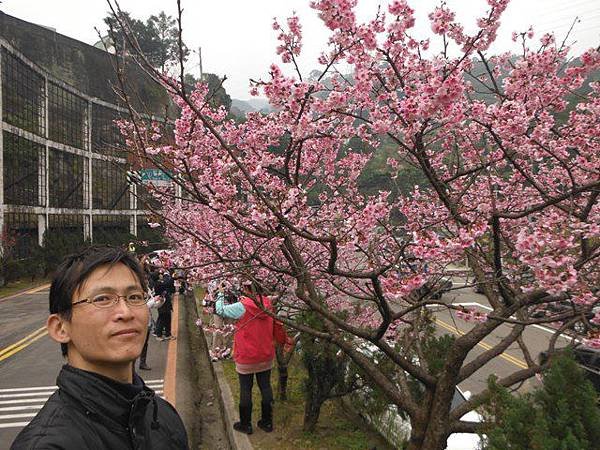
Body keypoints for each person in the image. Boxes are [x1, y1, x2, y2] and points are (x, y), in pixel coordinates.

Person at [11, 245, 188, 450]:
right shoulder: (47, 445)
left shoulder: (164, 415)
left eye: (135, 297)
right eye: (102, 299)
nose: (126, 312)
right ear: (60, 328)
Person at [216, 279, 292, 435]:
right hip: (265, 354)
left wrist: (220, 293)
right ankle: (267, 422)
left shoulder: (241, 307)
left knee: (246, 388)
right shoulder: (267, 304)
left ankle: (246, 424)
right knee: (265, 386)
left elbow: (220, 310)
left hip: (246, 356)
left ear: (247, 288)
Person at [154, 270, 176, 341]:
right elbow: (167, 283)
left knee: (167, 319)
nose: (161, 275)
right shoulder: (158, 283)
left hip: (166, 303)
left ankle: (168, 334)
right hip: (162, 303)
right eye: (160, 274)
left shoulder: (160, 282)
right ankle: (158, 335)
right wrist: (172, 277)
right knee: (162, 319)